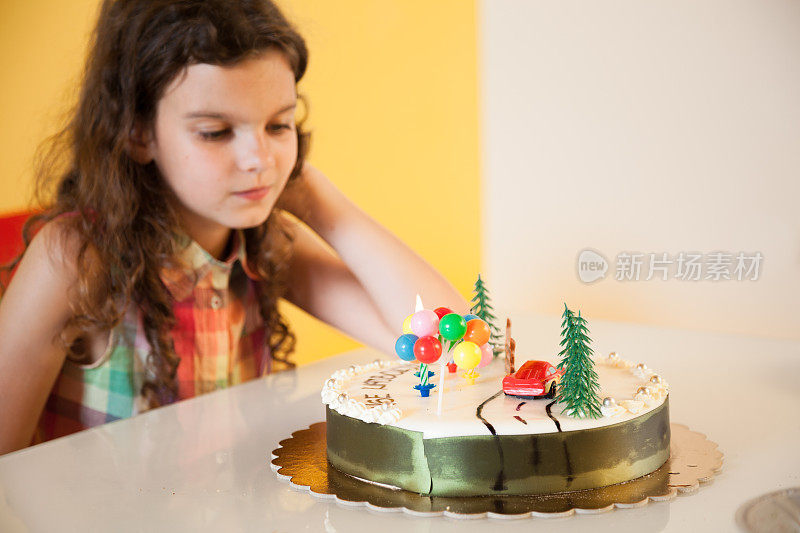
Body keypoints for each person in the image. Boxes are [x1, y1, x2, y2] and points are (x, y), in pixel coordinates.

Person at [0, 0, 466, 455]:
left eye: (279, 125)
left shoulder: (266, 242)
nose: (259, 160)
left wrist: (317, 201)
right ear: (138, 132)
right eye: (216, 132)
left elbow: (453, 341)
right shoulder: (75, 258)